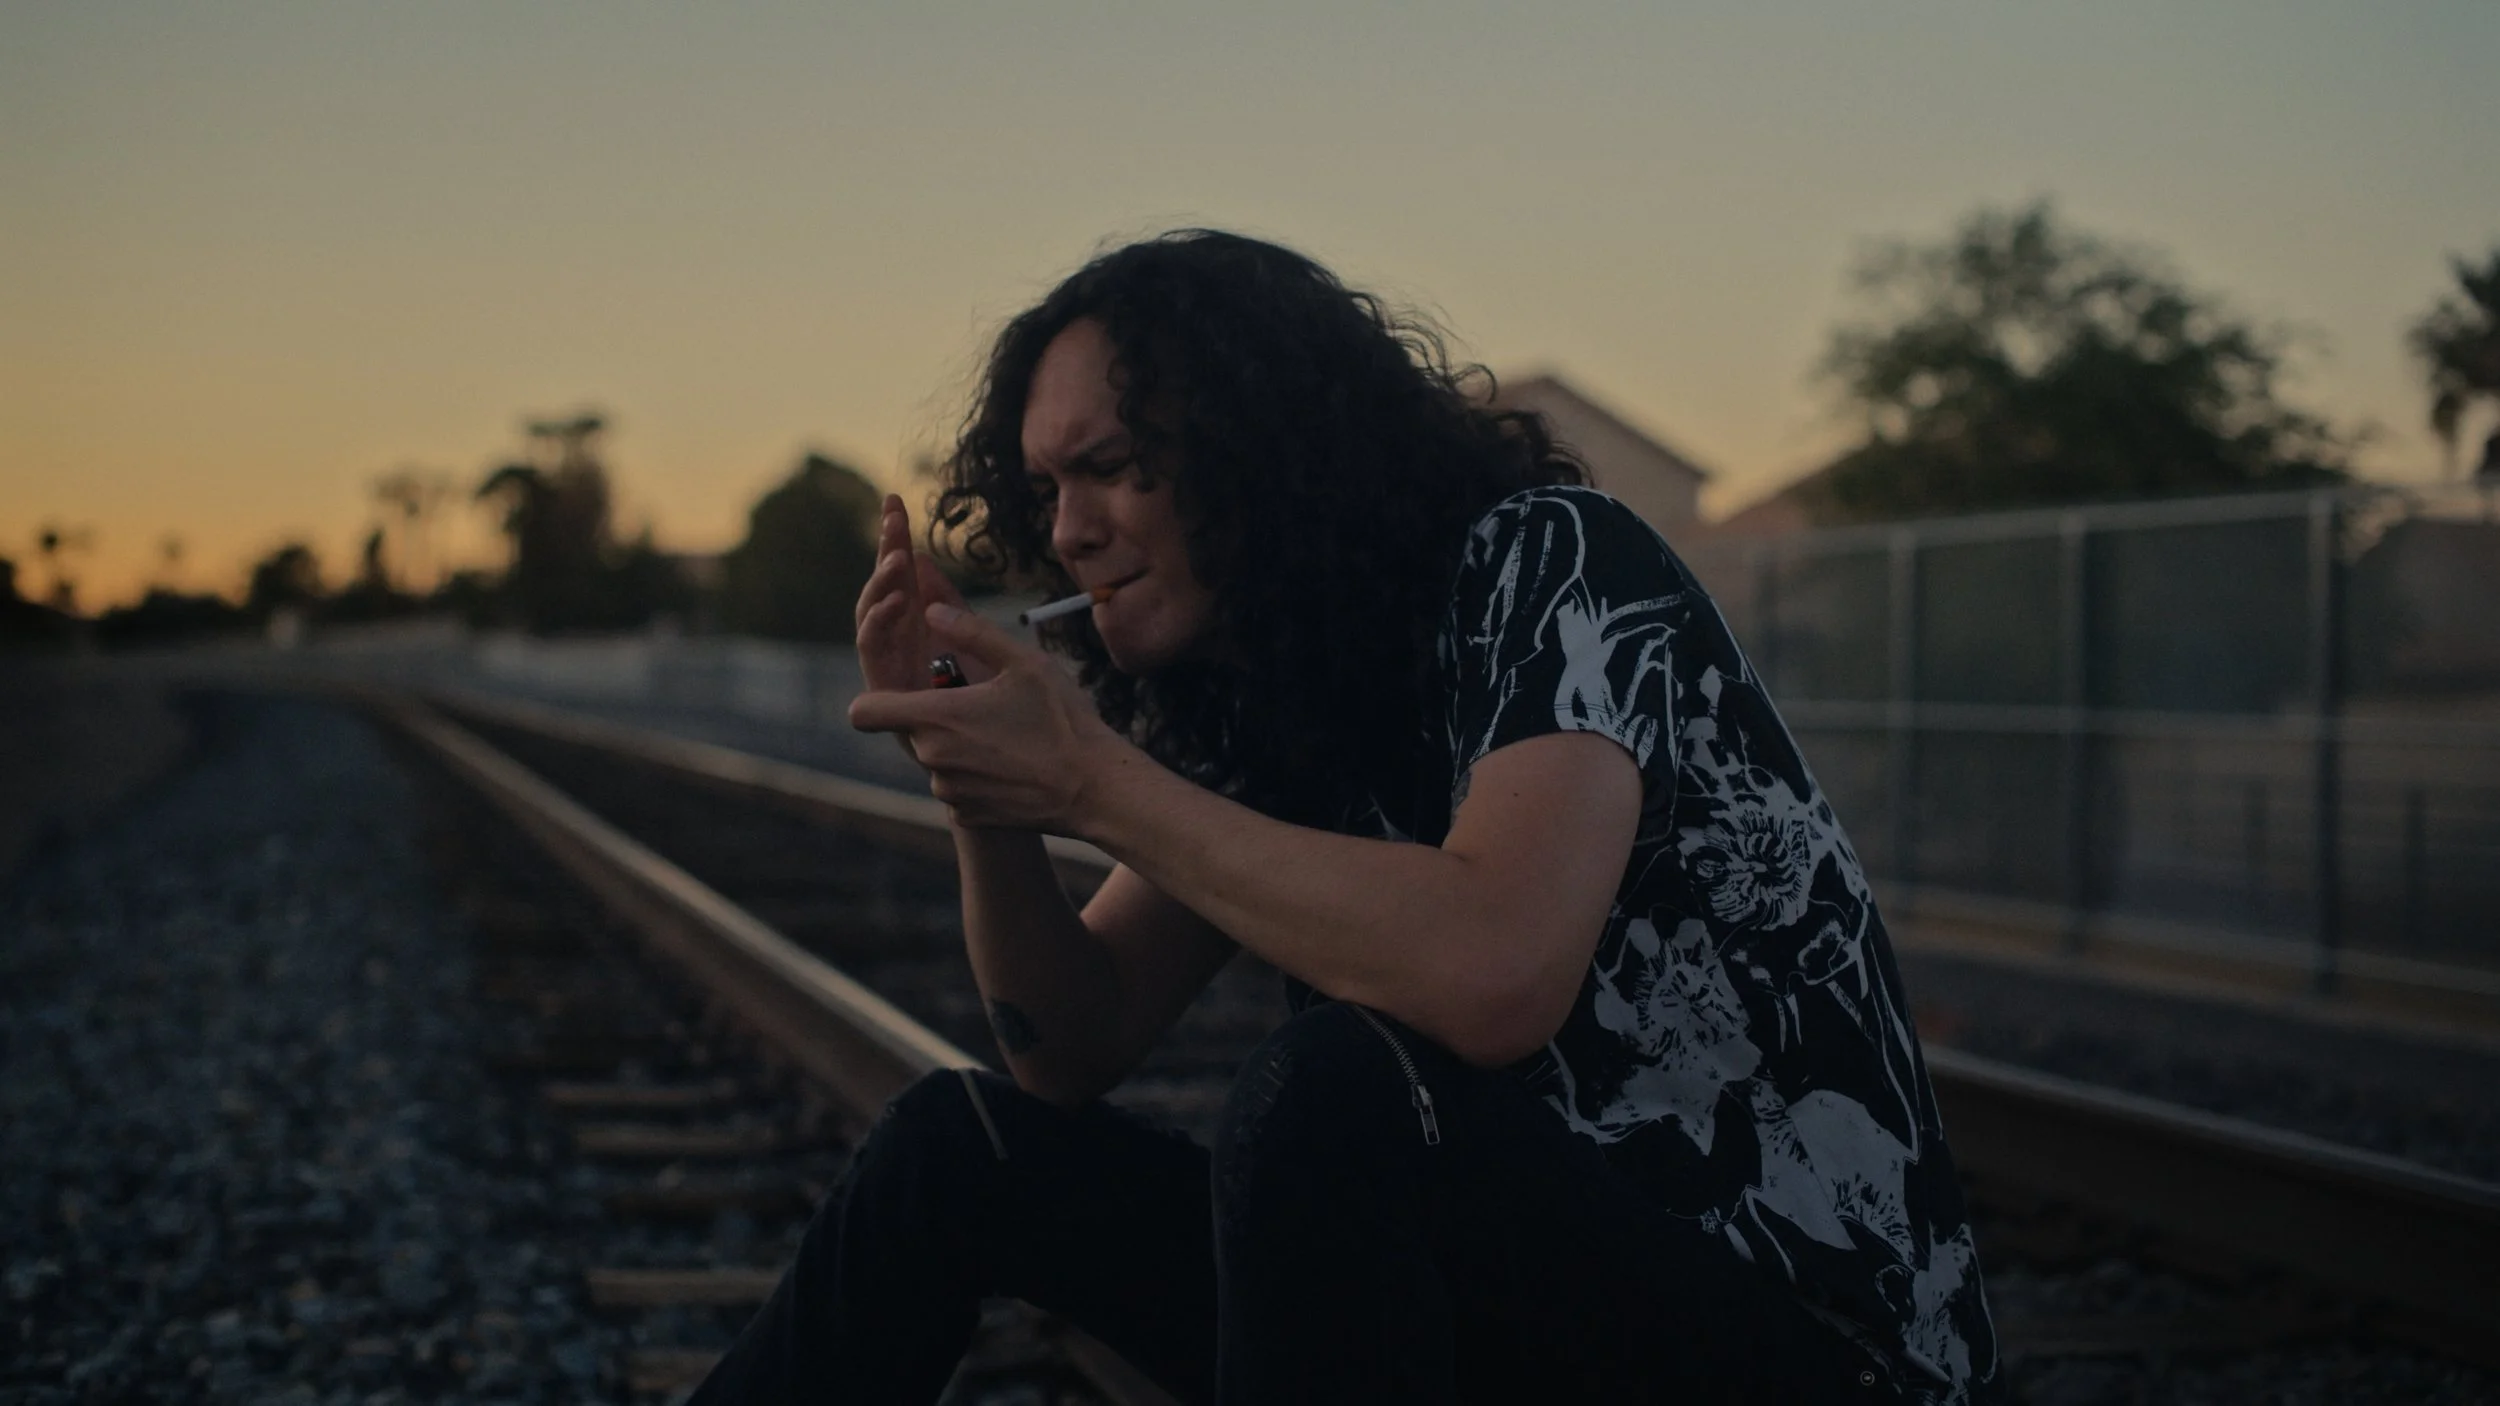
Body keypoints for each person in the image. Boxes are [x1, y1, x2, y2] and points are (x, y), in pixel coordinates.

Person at [689, 231, 1998, 1404]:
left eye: (1111, 468)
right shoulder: (1292, 693)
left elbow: (1491, 969)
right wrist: (978, 784)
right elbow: (1069, 1041)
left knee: (1338, 1090)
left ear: (1262, 449)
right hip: (1511, 1328)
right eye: (1044, 492)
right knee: (955, 1147)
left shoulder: (1556, 565)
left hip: (1805, 1344)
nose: (1069, 531)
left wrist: (1090, 775)